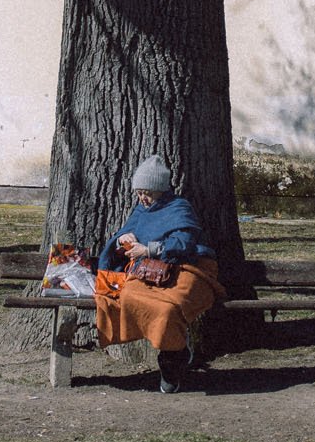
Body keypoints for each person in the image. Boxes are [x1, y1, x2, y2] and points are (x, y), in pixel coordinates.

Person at [94, 155, 221, 393]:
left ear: (161, 190)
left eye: (148, 192)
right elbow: (122, 237)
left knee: (169, 309)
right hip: (149, 272)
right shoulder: (141, 210)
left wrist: (149, 248)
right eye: (139, 192)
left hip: (188, 268)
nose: (143, 198)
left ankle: (171, 358)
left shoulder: (179, 208)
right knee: (129, 295)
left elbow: (184, 244)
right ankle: (178, 353)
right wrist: (123, 239)